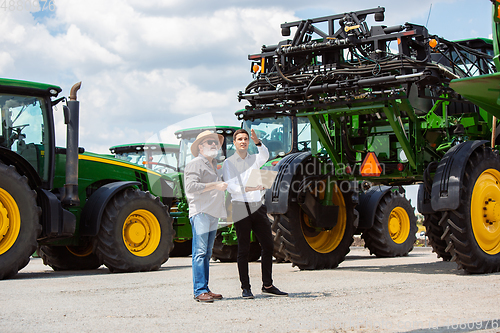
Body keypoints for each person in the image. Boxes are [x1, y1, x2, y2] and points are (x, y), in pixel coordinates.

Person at [222, 128, 288, 299]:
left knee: (268, 245)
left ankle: (268, 285)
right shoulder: (229, 163)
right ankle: (246, 288)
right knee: (243, 249)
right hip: (241, 207)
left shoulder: (254, 159)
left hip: (258, 207)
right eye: (240, 139)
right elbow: (231, 186)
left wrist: (258, 141)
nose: (243, 141)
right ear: (234, 143)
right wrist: (249, 188)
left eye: (245, 139)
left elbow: (265, 155)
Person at [184, 130, 228, 303]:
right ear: (200, 147)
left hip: (212, 213)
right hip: (201, 212)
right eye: (209, 142)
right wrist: (215, 185)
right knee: (200, 252)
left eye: (215, 142)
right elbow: (191, 187)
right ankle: (199, 290)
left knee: (207, 252)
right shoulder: (196, 164)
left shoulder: (213, 165)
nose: (214, 145)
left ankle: (205, 288)